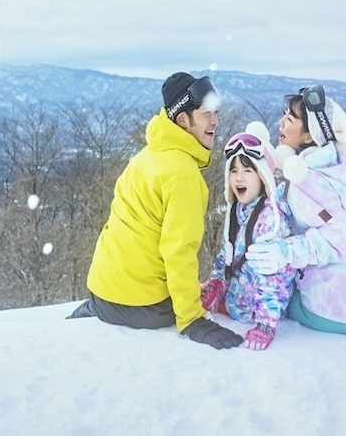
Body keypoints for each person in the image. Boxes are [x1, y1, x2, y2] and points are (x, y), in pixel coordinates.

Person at [68, 72, 243, 350]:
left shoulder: (145, 156)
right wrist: (192, 319)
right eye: (206, 114)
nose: (215, 122)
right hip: (145, 306)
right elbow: (179, 251)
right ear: (183, 120)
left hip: (101, 295)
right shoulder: (182, 173)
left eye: (216, 113)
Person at [244, 84, 346, 334]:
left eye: (289, 118)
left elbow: (339, 238)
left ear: (309, 136)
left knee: (256, 296)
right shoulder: (336, 169)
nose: (281, 123)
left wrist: (283, 252)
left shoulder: (309, 178)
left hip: (335, 310)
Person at [200, 121, 297, 350]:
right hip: (236, 301)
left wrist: (265, 324)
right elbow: (228, 256)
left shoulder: (271, 219)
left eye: (247, 170)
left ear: (262, 176)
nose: (238, 178)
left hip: (257, 310)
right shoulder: (237, 210)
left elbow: (275, 279)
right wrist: (217, 282)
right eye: (233, 171)